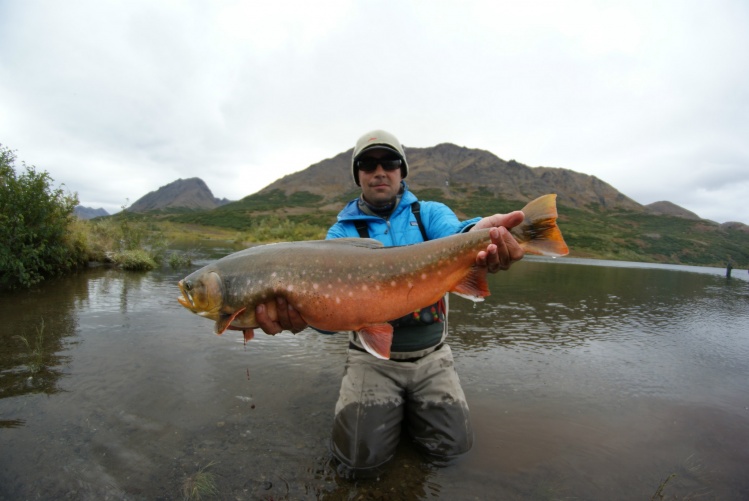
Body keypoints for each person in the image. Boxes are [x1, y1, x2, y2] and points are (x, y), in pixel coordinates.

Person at [254, 130, 525, 477]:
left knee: (452, 452)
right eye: (368, 164)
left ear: (402, 172)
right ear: (358, 176)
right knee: (357, 462)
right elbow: (326, 317)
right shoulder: (339, 236)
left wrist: (483, 233)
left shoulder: (429, 214)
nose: (379, 170)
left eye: (390, 162)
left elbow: (459, 234)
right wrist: (302, 315)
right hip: (371, 359)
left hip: (433, 357)